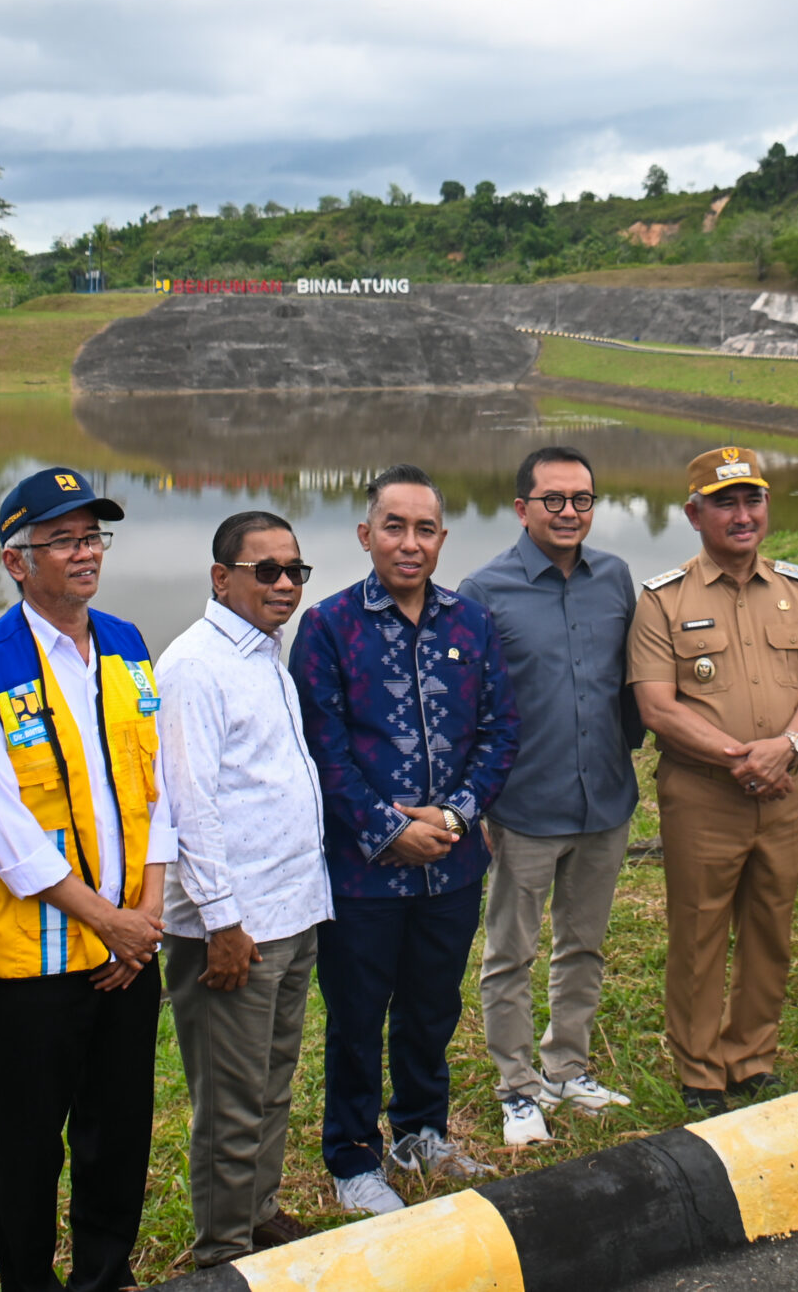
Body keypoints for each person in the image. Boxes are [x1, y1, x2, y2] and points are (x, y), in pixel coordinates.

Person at [0, 469, 175, 1292]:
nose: (84, 554)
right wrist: (104, 919)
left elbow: (158, 791)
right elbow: (2, 831)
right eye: (64, 540)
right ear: (15, 558)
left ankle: (106, 1275)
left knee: (120, 1133)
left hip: (130, 951)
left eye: (92, 537)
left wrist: (144, 915)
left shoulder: (128, 642)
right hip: (32, 967)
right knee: (33, 1143)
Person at [292, 465, 520, 1215]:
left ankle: (420, 1128)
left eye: (425, 528)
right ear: (366, 533)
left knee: (431, 1007)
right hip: (362, 873)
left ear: (443, 536)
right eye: (395, 525)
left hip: (451, 866)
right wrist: (389, 828)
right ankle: (353, 1156)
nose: (410, 542)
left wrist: (453, 818)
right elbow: (323, 750)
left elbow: (499, 731)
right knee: (357, 1014)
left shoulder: (470, 622)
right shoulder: (327, 625)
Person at [627, 447, 798, 1110]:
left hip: (786, 789)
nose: (742, 514)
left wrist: (789, 747)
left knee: (770, 923)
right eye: (725, 502)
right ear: (694, 512)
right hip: (704, 795)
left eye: (752, 499)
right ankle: (699, 1068)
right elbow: (658, 705)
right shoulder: (662, 600)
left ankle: (752, 1054)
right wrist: (742, 757)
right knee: (697, 929)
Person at [156, 511, 333, 1268]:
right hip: (235, 930)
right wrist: (222, 922)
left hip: (292, 911)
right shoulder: (195, 664)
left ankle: (258, 1215)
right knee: (229, 1104)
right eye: (267, 570)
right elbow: (188, 807)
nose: (285, 584)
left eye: (295, 570)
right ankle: (221, 1254)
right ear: (221, 577)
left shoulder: (265, 652)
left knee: (272, 1083)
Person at [459, 447, 638, 1149]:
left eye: (583, 499)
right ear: (521, 508)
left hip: (605, 799)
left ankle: (567, 1065)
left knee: (584, 943)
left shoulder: (616, 578)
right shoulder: (484, 590)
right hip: (523, 807)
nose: (570, 512)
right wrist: (476, 805)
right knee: (511, 949)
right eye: (554, 499)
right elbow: (468, 707)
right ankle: (517, 1084)